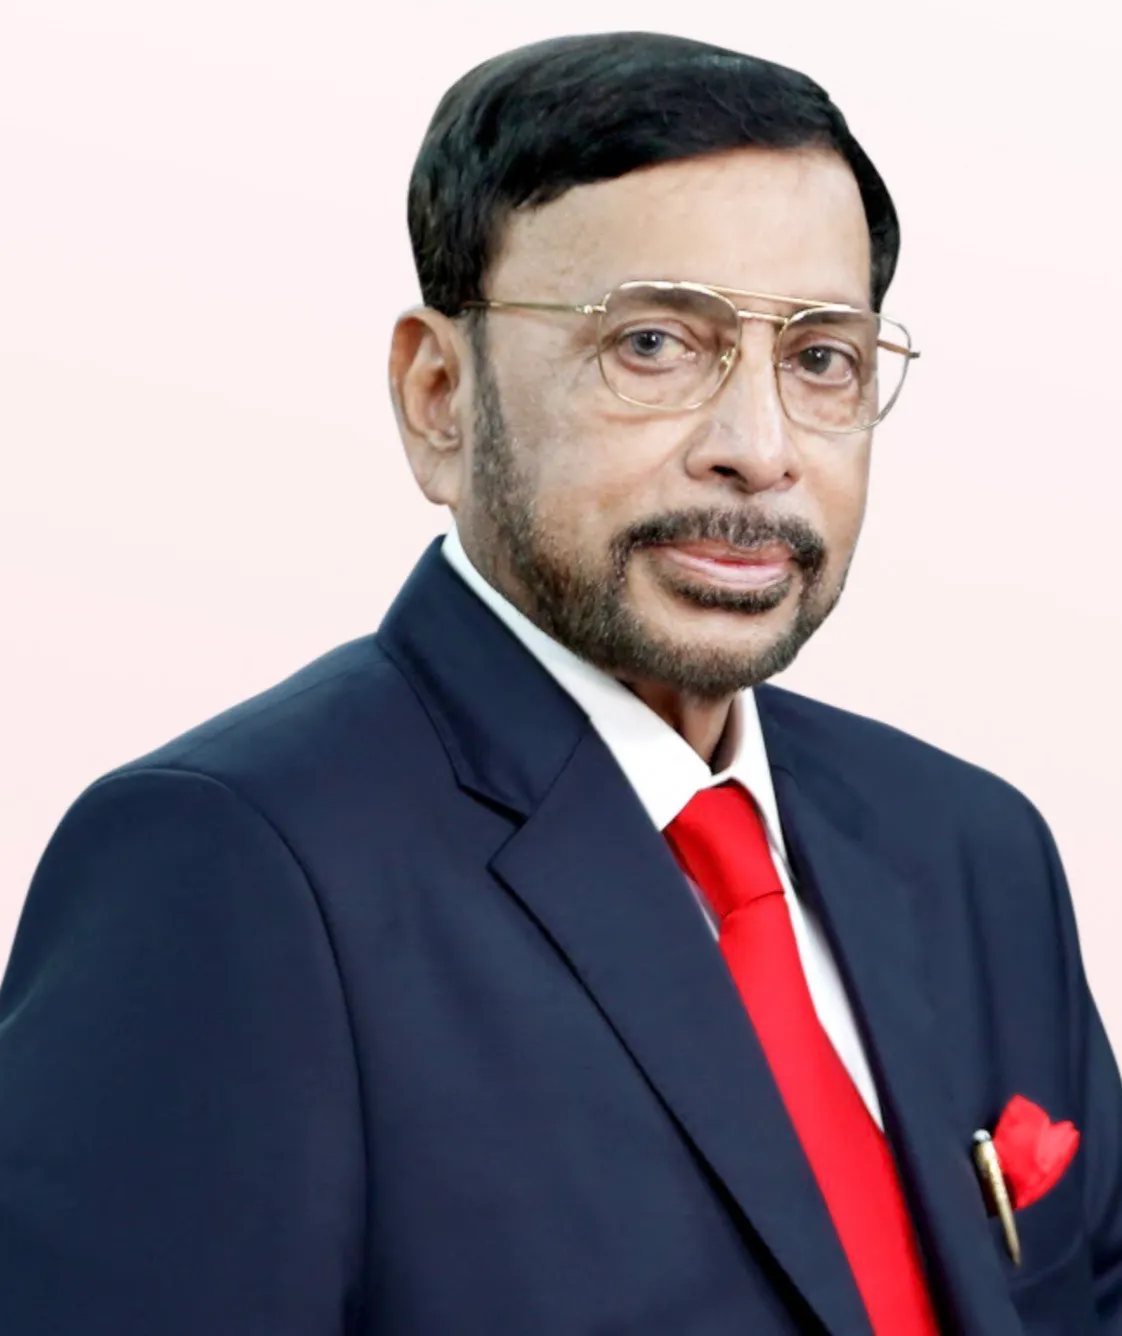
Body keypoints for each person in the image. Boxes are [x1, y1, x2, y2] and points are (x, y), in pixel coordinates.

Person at [0, 29, 1118, 1336]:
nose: (757, 451)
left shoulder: (966, 843)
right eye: (652, 342)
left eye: (819, 356)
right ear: (437, 394)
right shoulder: (232, 868)